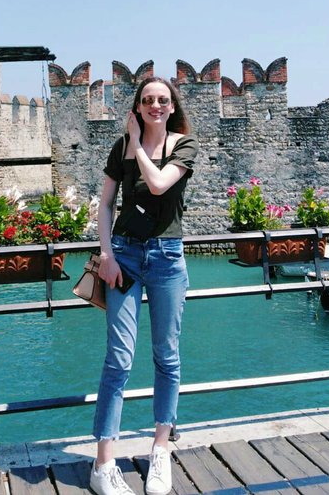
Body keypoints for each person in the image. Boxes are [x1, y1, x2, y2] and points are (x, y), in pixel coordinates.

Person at [90, 77, 198, 495]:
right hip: (125, 257)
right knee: (118, 359)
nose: (155, 105)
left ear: (172, 107)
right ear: (137, 106)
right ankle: (103, 464)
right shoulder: (120, 148)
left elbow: (157, 184)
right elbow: (104, 204)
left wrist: (137, 143)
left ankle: (160, 450)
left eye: (162, 100)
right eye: (148, 100)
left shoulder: (184, 145)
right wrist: (108, 256)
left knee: (167, 356)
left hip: (168, 257)